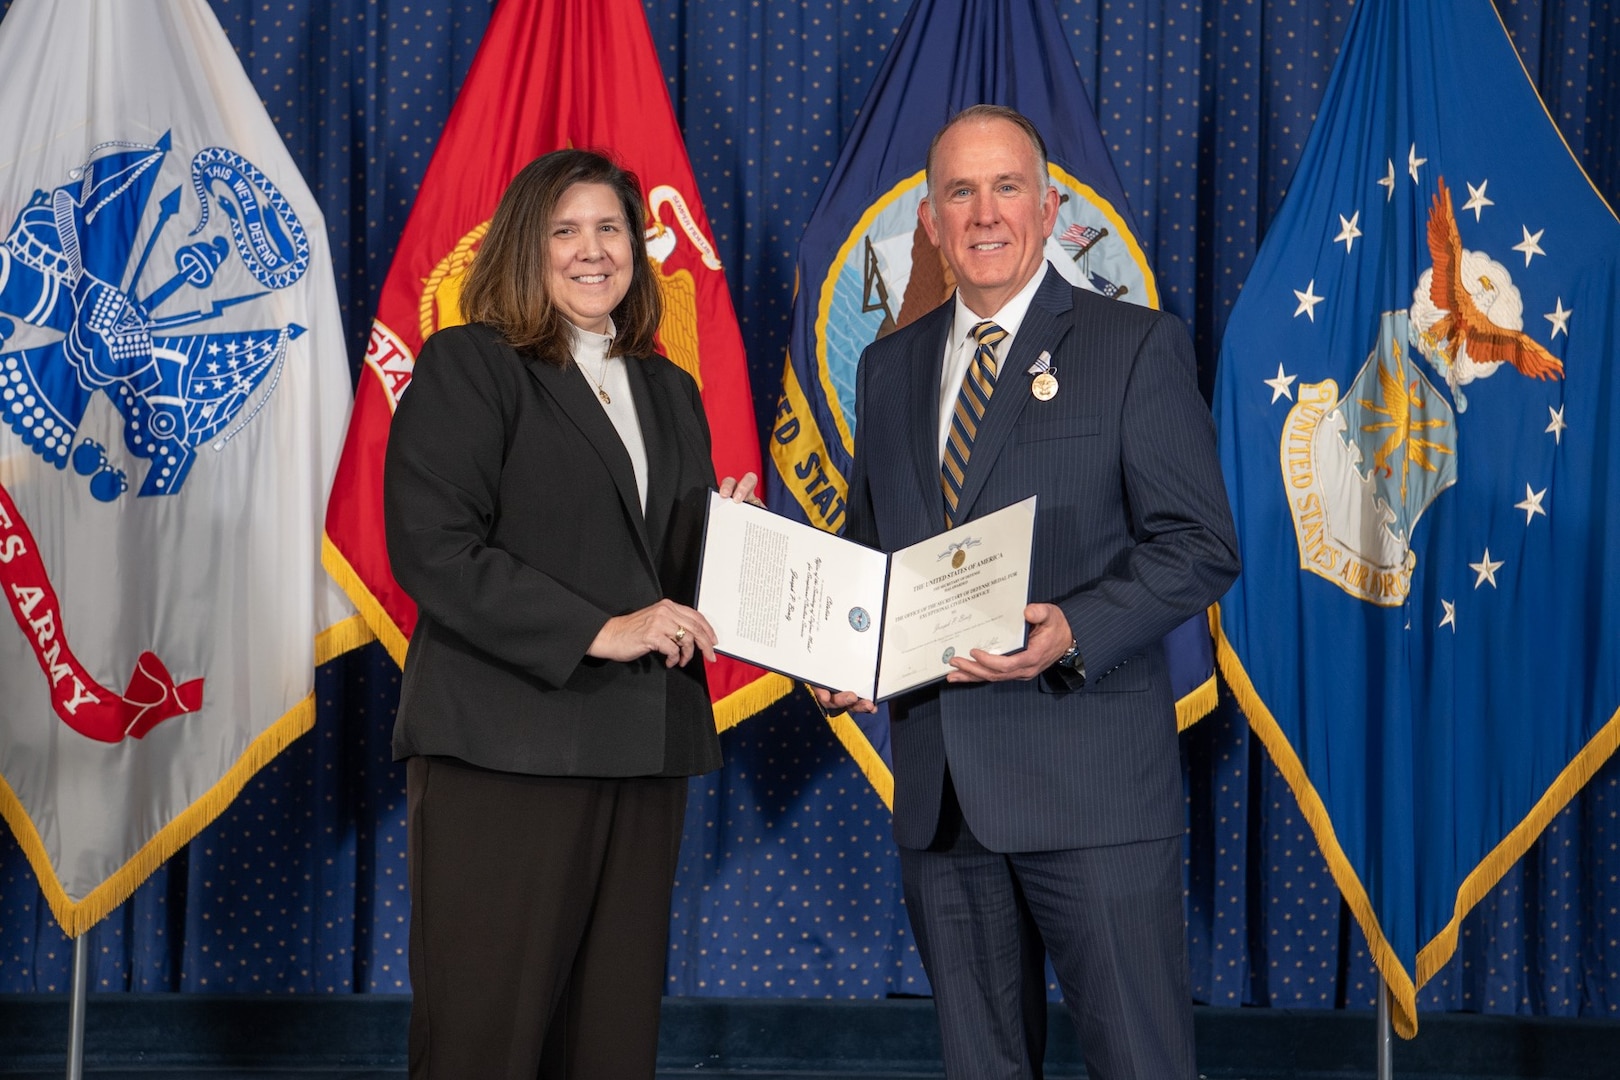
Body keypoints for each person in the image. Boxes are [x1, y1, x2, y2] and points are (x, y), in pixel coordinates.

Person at [818, 105, 1241, 1079]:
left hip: (1090, 787)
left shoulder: (1133, 346)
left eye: (1007, 187)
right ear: (929, 221)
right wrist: (836, 651)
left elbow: (1200, 544)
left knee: (1140, 1064)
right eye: (959, 192)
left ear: (1050, 209)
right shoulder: (887, 369)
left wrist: (1076, 628)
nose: (984, 213)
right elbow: (871, 550)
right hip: (945, 803)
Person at [384, 148, 758, 1080]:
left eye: (611, 229)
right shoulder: (473, 364)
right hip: (506, 749)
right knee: (485, 1043)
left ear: (638, 247)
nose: (593, 251)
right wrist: (602, 630)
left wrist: (739, 553)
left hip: (643, 751)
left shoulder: (670, 389)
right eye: (566, 231)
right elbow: (435, 549)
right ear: (526, 247)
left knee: (610, 1047)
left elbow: (662, 574)